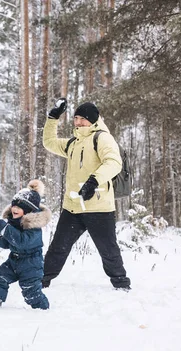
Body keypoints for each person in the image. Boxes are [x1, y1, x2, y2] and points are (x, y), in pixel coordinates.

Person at [41, 98, 131, 290]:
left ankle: (121, 284)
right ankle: (41, 279)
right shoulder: (74, 142)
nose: (79, 122)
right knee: (58, 247)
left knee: (108, 250)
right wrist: (53, 118)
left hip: (98, 207)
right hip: (73, 207)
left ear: (93, 119)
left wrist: (93, 181)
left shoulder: (102, 138)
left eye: (83, 119)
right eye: (76, 118)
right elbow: (49, 143)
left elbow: (114, 163)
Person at [0, 180, 51, 310]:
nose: (15, 209)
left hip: (31, 264)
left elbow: (21, 242)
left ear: (28, 210)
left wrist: (5, 229)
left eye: (19, 207)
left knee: (30, 292)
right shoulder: (13, 223)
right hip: (14, 260)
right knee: (0, 277)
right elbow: (6, 244)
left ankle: (43, 308)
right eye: (14, 205)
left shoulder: (33, 227)